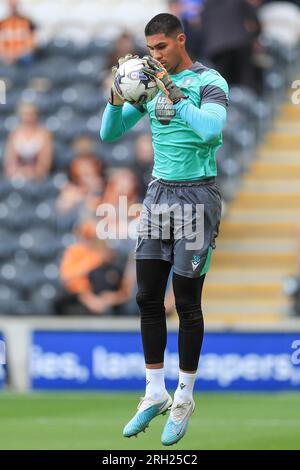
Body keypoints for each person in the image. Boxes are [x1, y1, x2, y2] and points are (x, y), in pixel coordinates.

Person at [100, 13, 228, 446]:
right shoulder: (148, 84)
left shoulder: (209, 81)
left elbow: (211, 132)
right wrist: (117, 96)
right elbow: (108, 132)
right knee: (147, 297)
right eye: (150, 49)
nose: (154, 56)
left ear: (180, 40)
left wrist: (174, 91)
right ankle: (154, 392)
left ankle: (184, 397)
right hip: (158, 196)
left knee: (187, 303)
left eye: (161, 48)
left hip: (197, 197)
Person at [4, 102, 53, 181]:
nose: (28, 117)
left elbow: (45, 162)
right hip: (18, 173)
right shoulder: (15, 133)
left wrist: (33, 172)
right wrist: (17, 170)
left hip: (38, 175)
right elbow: (10, 160)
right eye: (25, 114)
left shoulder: (44, 134)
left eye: (31, 114)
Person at [0, 0, 36, 65]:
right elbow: (1, 45)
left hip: (22, 57)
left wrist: (16, 55)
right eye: (11, 6)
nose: (13, 8)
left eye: (14, 5)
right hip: (6, 57)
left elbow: (31, 45)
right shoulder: (3, 23)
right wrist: (7, 54)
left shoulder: (26, 22)